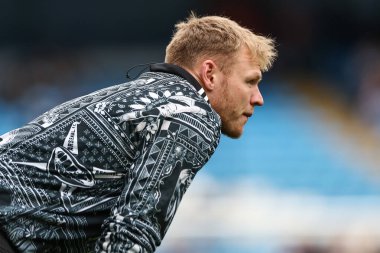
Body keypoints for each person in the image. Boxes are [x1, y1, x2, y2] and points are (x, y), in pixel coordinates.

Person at [0, 13, 276, 253]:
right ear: (210, 74)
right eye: (250, 81)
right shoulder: (190, 113)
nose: (258, 98)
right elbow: (133, 229)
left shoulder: (140, 97)